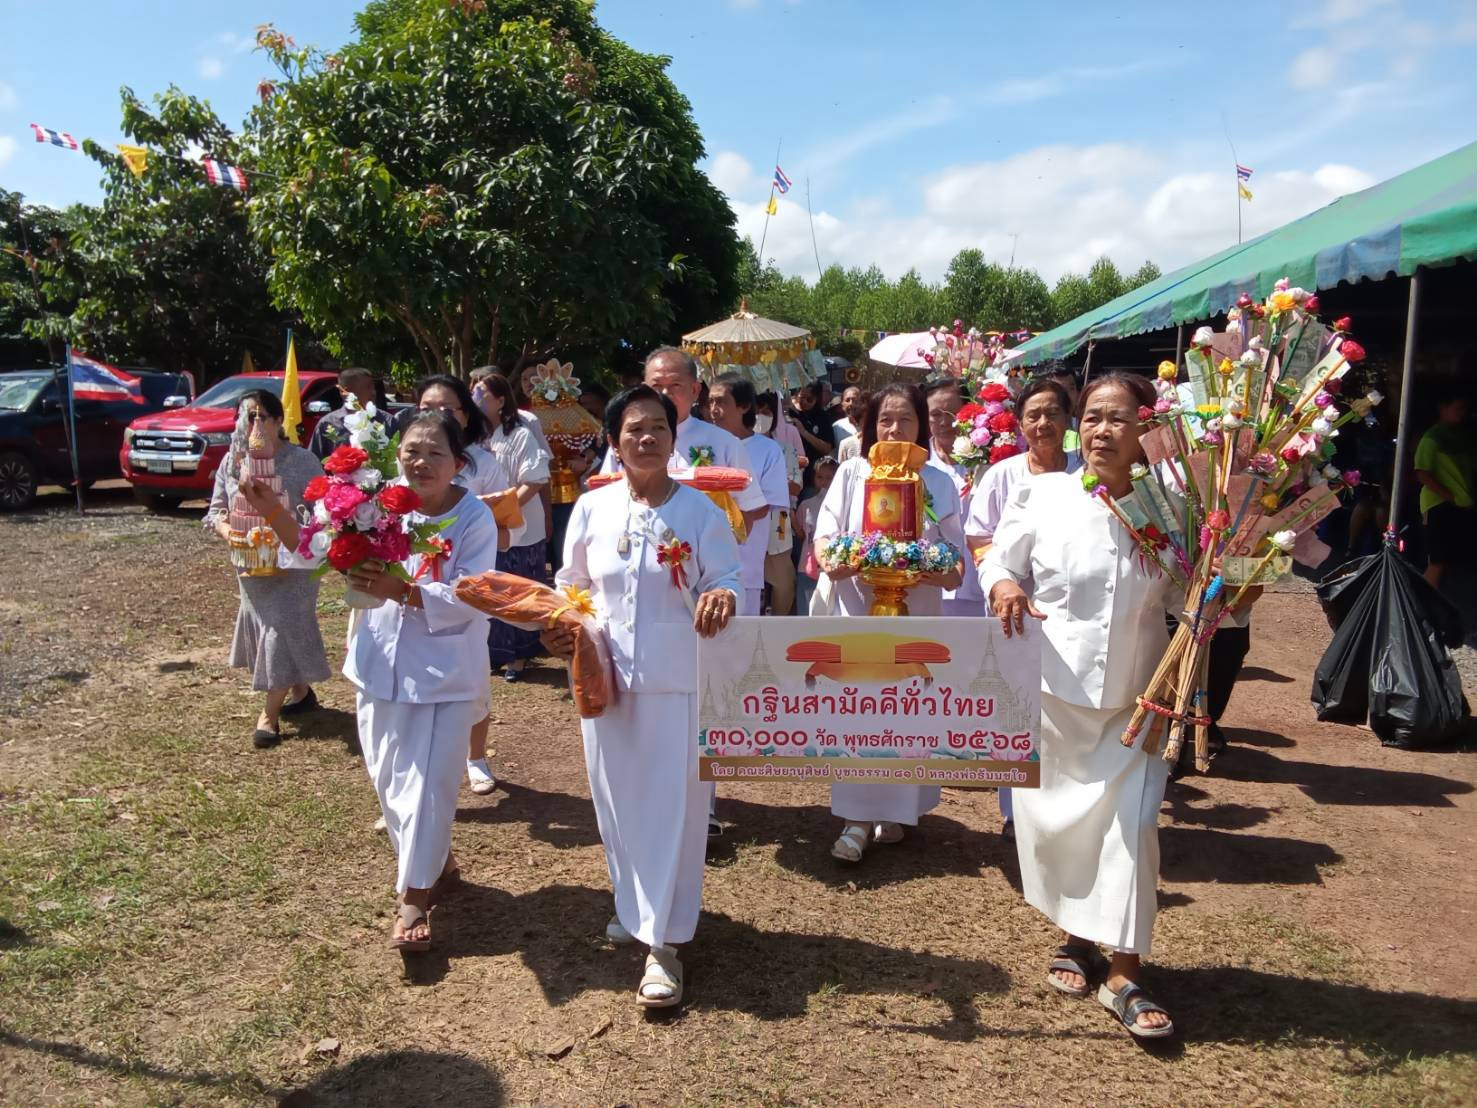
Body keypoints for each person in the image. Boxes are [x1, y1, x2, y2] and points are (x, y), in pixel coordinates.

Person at [981, 371, 1257, 1040]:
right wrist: (1003, 589)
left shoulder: (1175, 510)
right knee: (1069, 831)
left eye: (1119, 418)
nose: (1103, 429)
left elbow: (1189, 603)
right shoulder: (1043, 494)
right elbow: (996, 559)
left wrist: (1244, 572)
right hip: (1055, 697)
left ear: (1145, 432)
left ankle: (1126, 972)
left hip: (1140, 703)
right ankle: (1077, 937)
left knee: (1132, 830)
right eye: (1093, 417)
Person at [246, 410, 501, 950]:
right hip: (378, 662)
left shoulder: (474, 518)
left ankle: (413, 898)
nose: (422, 461)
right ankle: (440, 861)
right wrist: (272, 511)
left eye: (436, 453)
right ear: (397, 455)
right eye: (412, 450)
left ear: (458, 462)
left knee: (429, 787)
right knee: (389, 781)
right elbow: (318, 548)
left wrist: (403, 591)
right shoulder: (377, 502)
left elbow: (476, 595)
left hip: (445, 673)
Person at [546, 385, 741, 1007]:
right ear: (615, 441)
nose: (647, 437)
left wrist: (723, 596)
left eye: (658, 426)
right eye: (634, 429)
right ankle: (633, 907)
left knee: (676, 809)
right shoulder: (591, 509)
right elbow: (570, 582)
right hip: (604, 678)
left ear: (673, 437)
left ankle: (664, 944)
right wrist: (562, 624)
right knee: (617, 800)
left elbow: (730, 577)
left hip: (677, 680)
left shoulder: (702, 512)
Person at [812, 383, 966, 863]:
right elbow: (826, 537)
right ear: (869, 426)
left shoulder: (938, 481)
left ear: (922, 425)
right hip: (857, 614)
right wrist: (850, 558)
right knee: (858, 712)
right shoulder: (852, 474)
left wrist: (920, 563)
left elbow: (955, 561)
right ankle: (856, 819)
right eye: (885, 420)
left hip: (916, 614)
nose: (894, 429)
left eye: (905, 419)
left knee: (905, 714)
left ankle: (898, 809)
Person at [964, 376, 1080, 832]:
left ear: (1068, 419)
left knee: (1063, 707)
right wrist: (1004, 584)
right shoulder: (1001, 474)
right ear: (1019, 423)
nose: (1043, 422)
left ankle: (1065, 806)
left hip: (1069, 611)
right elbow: (977, 537)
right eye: (1033, 414)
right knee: (1014, 706)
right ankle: (1016, 813)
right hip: (1011, 608)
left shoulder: (1084, 472)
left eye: (1052, 412)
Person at [204, 390, 332, 749]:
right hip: (251, 564)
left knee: (281, 627)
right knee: (271, 628)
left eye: (262, 417)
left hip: (296, 565)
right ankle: (302, 692)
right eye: (247, 417)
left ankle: (269, 716)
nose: (254, 425)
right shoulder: (232, 463)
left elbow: (324, 513)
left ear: (279, 422)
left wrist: (294, 524)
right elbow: (215, 511)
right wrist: (230, 533)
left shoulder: (303, 462)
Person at [414, 375, 517, 798]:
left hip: (466, 586)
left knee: (472, 679)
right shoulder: (405, 463)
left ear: (464, 413)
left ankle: (475, 758)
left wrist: (480, 523)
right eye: (426, 407)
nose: (435, 416)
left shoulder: (484, 463)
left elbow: (509, 531)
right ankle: (413, 782)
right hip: (409, 594)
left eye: (446, 408)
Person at [597, 348, 768, 534]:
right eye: (656, 386)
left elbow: (751, 506)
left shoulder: (724, 442)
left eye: (675, 385)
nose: (664, 394)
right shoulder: (627, 443)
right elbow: (605, 498)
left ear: (695, 390)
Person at [467, 369, 554, 684]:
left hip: (518, 529)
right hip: (483, 529)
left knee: (519, 590)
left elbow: (536, 477)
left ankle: (519, 655)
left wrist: (504, 510)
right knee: (491, 590)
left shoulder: (519, 433)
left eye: (483, 396)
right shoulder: (473, 437)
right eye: (473, 394)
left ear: (501, 400)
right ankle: (495, 652)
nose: (476, 400)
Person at [707, 374, 791, 616]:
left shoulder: (768, 449)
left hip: (745, 558)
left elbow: (765, 505)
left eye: (721, 402)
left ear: (744, 406)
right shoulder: (703, 445)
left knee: (740, 637)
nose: (714, 409)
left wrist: (729, 519)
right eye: (710, 402)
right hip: (700, 556)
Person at [922, 376, 986, 618]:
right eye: (935, 414)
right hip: (932, 583)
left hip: (979, 579)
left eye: (952, 413)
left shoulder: (986, 458)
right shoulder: (918, 462)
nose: (944, 422)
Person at [1413, 388, 1473, 591]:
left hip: (1460, 504)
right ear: (1443, 408)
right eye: (1458, 408)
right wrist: (1450, 497)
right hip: (1438, 504)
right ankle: (1420, 608)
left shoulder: (1462, 436)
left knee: (1447, 561)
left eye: (1464, 408)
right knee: (1436, 562)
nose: (1462, 412)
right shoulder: (1432, 437)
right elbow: (1422, 473)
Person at [755, 390, 803, 616]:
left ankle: (777, 621)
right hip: (746, 524)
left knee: (784, 583)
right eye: (757, 412)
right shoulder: (735, 448)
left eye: (766, 412)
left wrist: (771, 481)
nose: (760, 417)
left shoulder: (785, 449)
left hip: (778, 523)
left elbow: (796, 486)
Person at [307, 368, 392, 459]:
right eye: (367, 387)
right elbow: (313, 462)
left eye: (373, 387)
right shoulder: (327, 424)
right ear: (345, 392)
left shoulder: (387, 421)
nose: (373, 392)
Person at [793, 455, 836, 616]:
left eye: (829, 478)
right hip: (806, 565)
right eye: (819, 477)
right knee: (805, 609)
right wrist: (790, 514)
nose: (824, 482)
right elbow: (801, 534)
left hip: (830, 567)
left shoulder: (838, 506)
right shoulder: (806, 505)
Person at [788, 382, 836, 479]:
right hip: (790, 471)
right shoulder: (789, 413)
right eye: (802, 397)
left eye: (809, 399)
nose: (805, 402)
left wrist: (804, 432)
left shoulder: (822, 417)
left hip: (812, 475)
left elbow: (827, 448)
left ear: (817, 399)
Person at [832, 385, 867, 450]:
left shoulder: (870, 424)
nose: (851, 404)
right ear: (842, 405)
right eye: (847, 400)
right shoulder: (836, 427)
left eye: (854, 400)